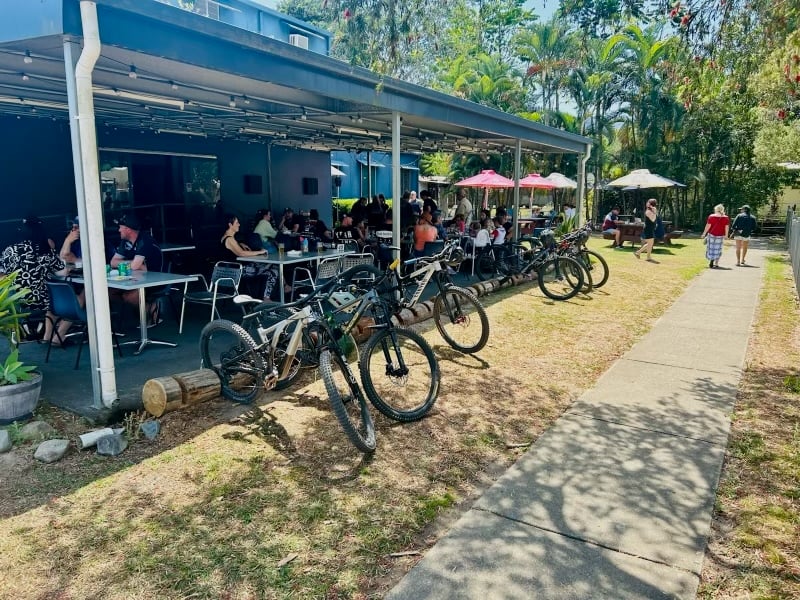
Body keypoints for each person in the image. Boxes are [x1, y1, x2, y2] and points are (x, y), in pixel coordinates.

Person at [0, 218, 72, 343]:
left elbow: (2, 274)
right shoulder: (42, 250)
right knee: (63, 300)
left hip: (13, 301)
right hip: (37, 300)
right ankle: (53, 336)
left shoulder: (8, 250)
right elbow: (62, 272)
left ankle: (44, 335)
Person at [110, 214, 164, 323]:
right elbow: (113, 263)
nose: (119, 230)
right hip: (135, 278)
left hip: (155, 280)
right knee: (109, 292)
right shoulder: (124, 242)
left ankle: (148, 310)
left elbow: (134, 266)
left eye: (121, 227)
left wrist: (133, 265)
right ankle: (142, 308)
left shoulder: (145, 241)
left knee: (129, 296)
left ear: (128, 230)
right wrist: (134, 264)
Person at [220, 214, 279, 301]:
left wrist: (239, 244)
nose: (239, 224)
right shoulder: (229, 239)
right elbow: (241, 253)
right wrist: (260, 252)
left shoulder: (229, 238)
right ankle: (266, 298)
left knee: (273, 267)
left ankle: (264, 295)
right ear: (230, 225)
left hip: (236, 269)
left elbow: (235, 250)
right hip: (238, 271)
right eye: (237, 223)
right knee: (273, 271)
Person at [701, 204, 729, 268]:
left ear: (716, 209)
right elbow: (726, 227)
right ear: (722, 209)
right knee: (718, 249)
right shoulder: (726, 217)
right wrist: (726, 235)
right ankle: (716, 263)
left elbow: (708, 226)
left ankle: (711, 259)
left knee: (711, 247)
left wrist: (704, 233)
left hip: (711, 234)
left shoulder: (711, 216)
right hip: (720, 235)